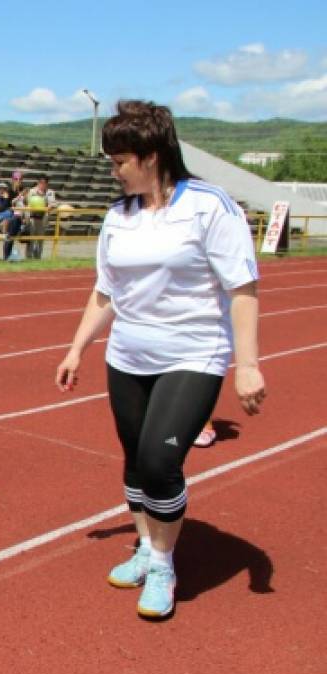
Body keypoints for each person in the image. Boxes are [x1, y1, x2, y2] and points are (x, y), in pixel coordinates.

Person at [55, 100, 266, 620]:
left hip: (193, 352)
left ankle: (165, 565)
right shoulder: (118, 216)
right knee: (134, 459)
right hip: (128, 353)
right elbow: (106, 291)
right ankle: (148, 547)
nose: (114, 171)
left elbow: (242, 288)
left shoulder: (210, 207)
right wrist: (78, 347)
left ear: (151, 156)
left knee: (158, 461)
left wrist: (247, 364)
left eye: (120, 161)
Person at [24, 175, 57, 259]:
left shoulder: (50, 192)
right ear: (38, 183)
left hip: (42, 219)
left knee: (40, 240)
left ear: (47, 184)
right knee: (30, 239)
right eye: (40, 183)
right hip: (32, 217)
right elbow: (28, 203)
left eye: (44, 183)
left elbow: (53, 204)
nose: (42, 185)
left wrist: (48, 205)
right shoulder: (32, 191)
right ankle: (28, 257)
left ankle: (38, 257)